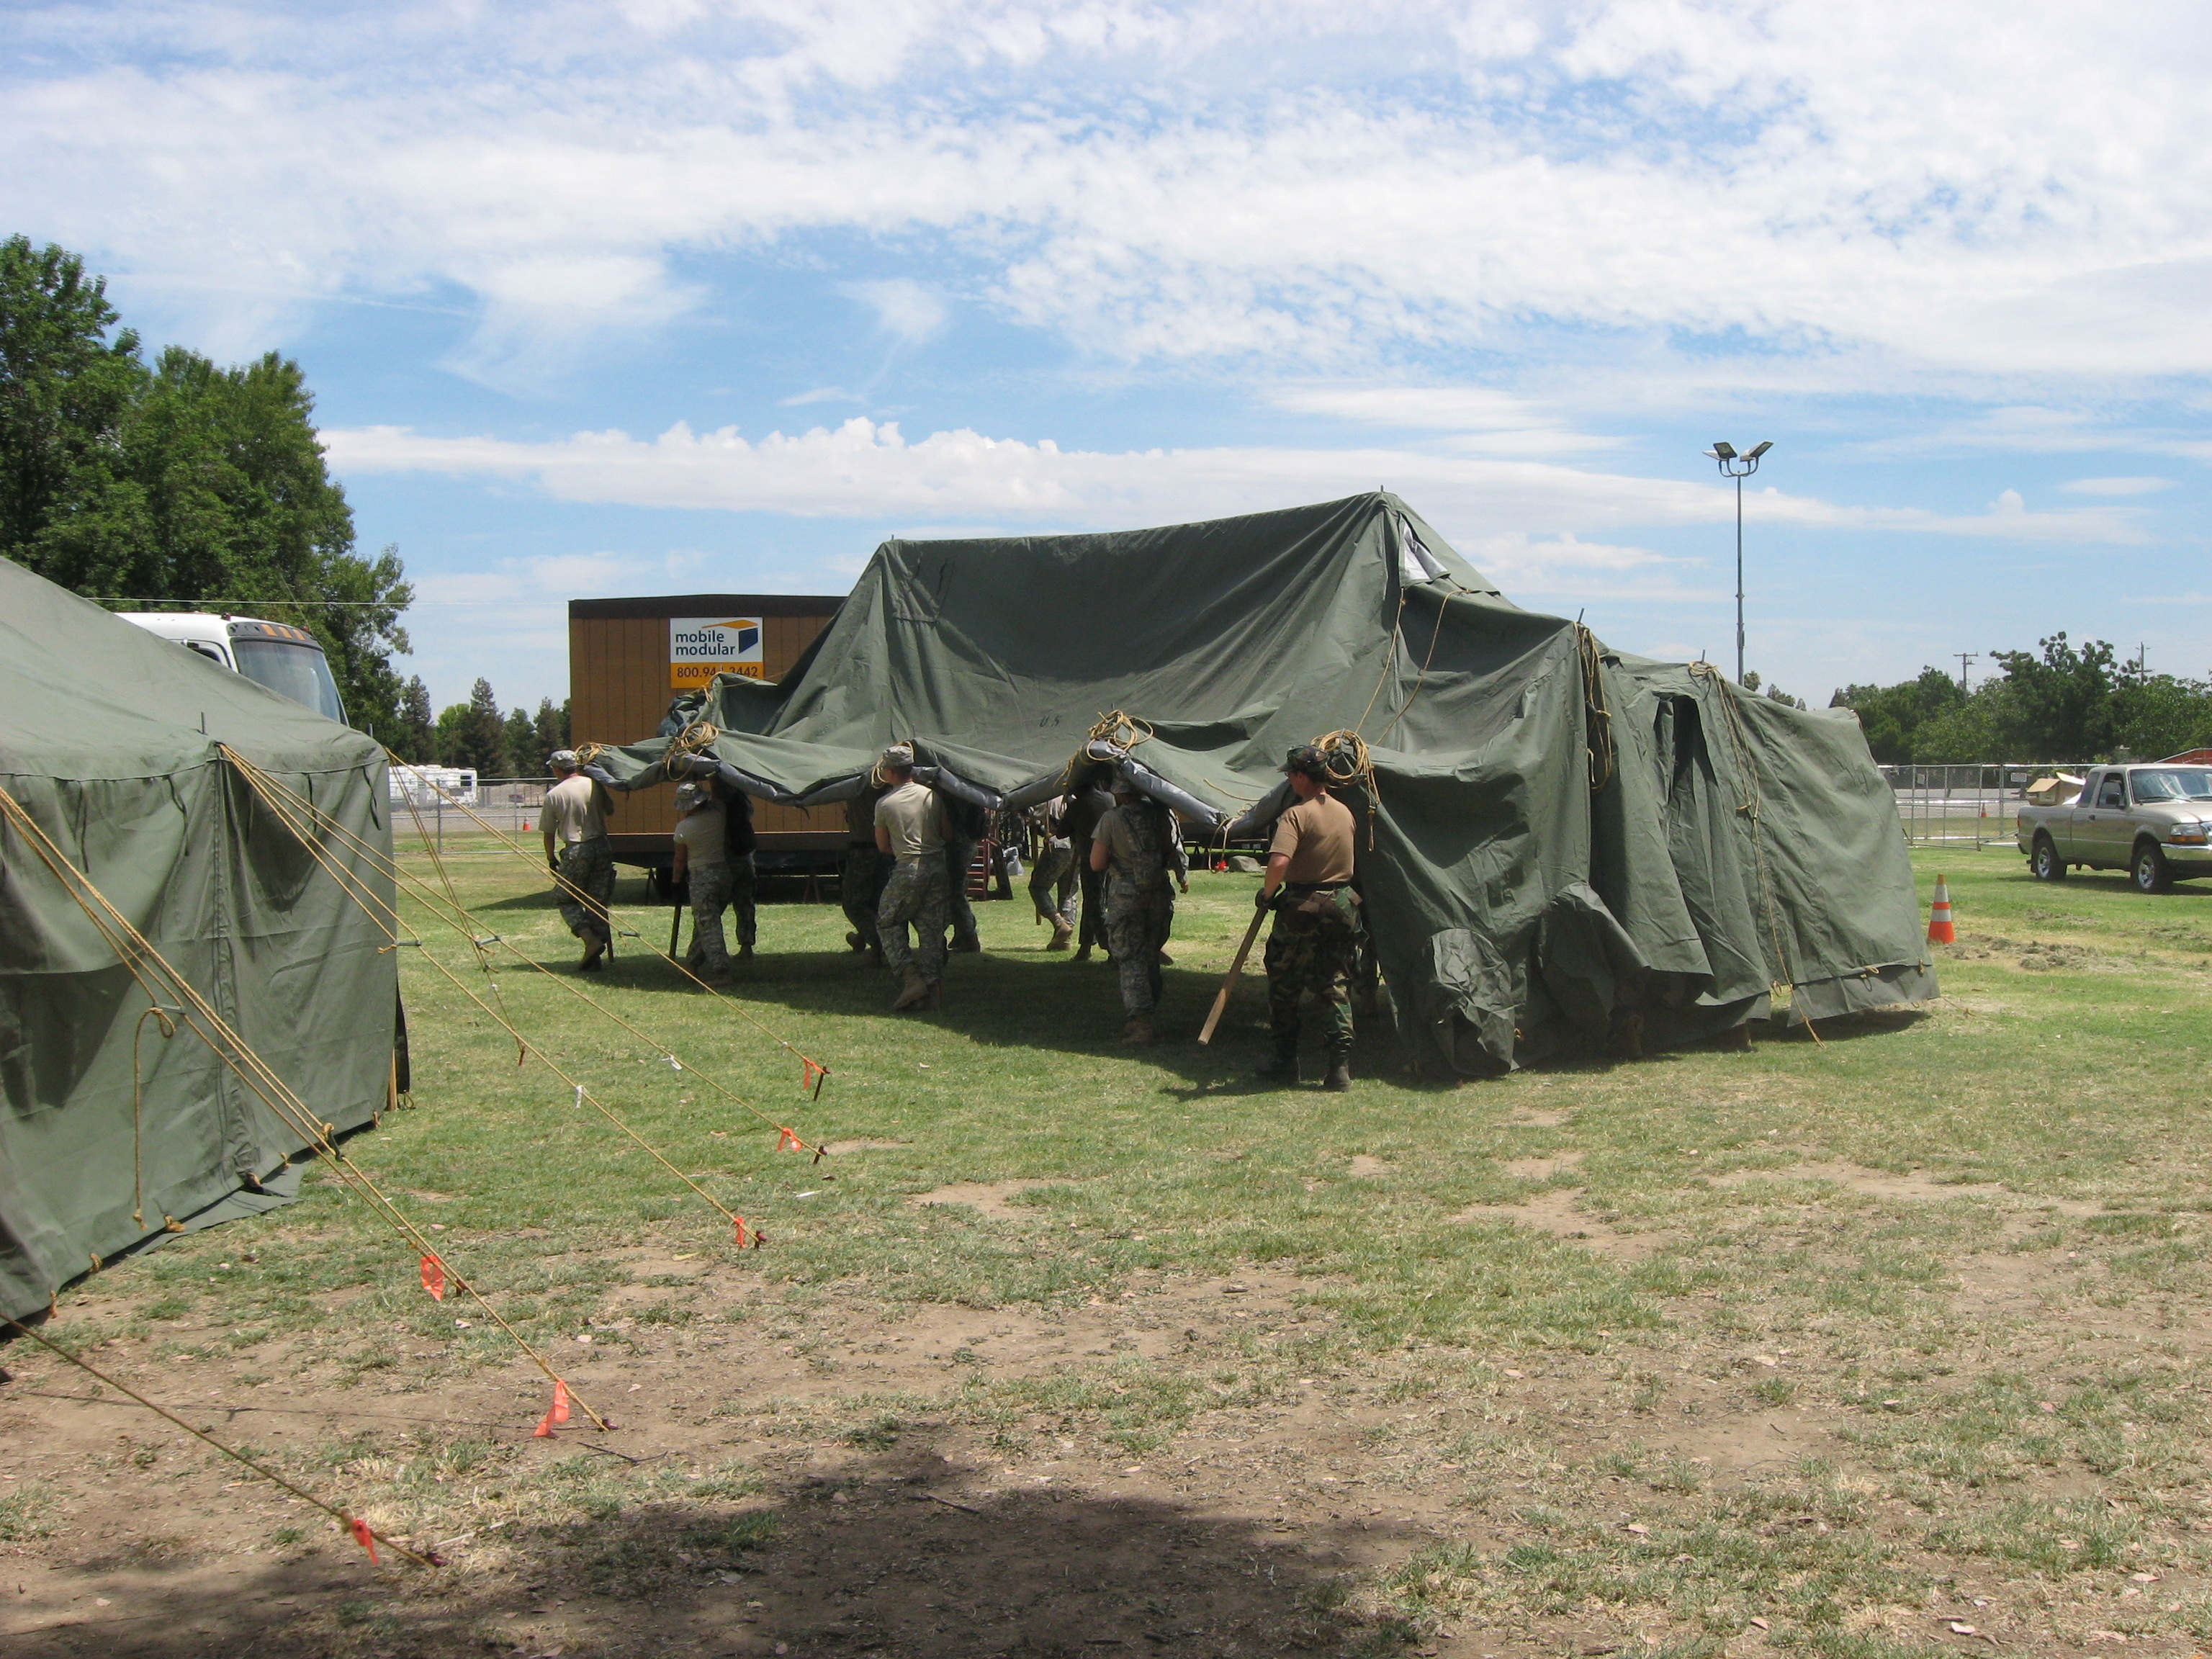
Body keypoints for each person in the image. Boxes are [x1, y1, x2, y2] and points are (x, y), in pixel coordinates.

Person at [1254, 745, 1359, 1089]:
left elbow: (1280, 861)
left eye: (1290, 774)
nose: (1289, 780)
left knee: (1285, 982)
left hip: (1303, 907)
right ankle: (1339, 1067)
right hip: (1342, 905)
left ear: (1301, 776)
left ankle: (1285, 1061)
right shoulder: (1345, 812)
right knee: (1335, 983)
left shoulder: (1296, 815)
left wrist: (1267, 894)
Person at [1089, 771, 1187, 1043]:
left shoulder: (1112, 819)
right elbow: (1175, 851)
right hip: (1159, 894)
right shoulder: (1163, 815)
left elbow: (1096, 863)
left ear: (1118, 793)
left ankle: (1141, 1022)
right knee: (1151, 953)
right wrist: (1182, 876)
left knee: (1131, 958)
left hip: (1126, 896)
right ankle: (1149, 1010)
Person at [873, 745, 950, 1011]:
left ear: (890, 772)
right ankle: (932, 989)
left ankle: (911, 979)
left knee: (887, 922)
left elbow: (883, 846)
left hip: (908, 868)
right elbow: (947, 834)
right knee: (931, 929)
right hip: (937, 867)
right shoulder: (932, 796)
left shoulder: (885, 804)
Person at [541, 750, 616, 971]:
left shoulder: (555, 794)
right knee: (596, 900)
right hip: (602, 846)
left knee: (564, 898)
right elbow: (610, 810)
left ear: (557, 769)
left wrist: (551, 858)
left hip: (576, 849)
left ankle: (589, 939)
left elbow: (548, 833)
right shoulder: (594, 785)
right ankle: (596, 954)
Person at [671, 781, 734, 981]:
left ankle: (722, 971)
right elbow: (718, 798)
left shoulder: (684, 828)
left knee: (709, 926)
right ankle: (692, 964)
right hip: (723, 873)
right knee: (705, 923)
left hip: (701, 877)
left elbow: (680, 860)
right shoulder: (718, 815)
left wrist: (675, 882)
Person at [1058, 773, 1117, 962]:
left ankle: (1112, 948)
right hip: (1113, 859)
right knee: (1096, 903)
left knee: (1095, 905)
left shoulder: (1078, 805)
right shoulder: (1109, 798)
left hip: (1092, 860)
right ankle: (1085, 947)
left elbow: (1061, 832)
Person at [840, 778, 891, 963]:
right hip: (885, 849)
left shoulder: (856, 783)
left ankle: (879, 942)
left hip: (863, 849)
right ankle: (864, 941)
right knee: (876, 901)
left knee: (854, 904)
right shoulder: (887, 785)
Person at [1025, 797, 1079, 950]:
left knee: (1038, 887)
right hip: (1075, 847)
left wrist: (1034, 823)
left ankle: (1059, 922)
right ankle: (1064, 938)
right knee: (1068, 892)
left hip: (1058, 845)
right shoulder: (1074, 799)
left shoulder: (1048, 798)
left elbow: (1032, 813)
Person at [940, 793, 986, 953]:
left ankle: (970, 939)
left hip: (957, 845)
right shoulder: (966, 793)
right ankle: (962, 933)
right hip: (968, 843)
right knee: (958, 892)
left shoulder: (948, 795)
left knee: (956, 895)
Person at [722, 784, 758, 959]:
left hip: (728, 859)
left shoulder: (720, 808)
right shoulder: (745, 804)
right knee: (745, 904)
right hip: (746, 858)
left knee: (714, 906)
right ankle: (747, 944)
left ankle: (710, 949)